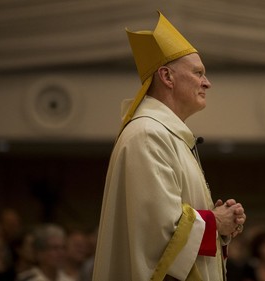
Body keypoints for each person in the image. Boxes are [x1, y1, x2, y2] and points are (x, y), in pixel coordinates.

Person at [92, 11, 246, 281]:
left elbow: (174, 226)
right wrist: (214, 221)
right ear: (167, 76)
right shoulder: (148, 135)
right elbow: (158, 234)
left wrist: (219, 227)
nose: (207, 83)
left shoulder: (166, 134)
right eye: (198, 73)